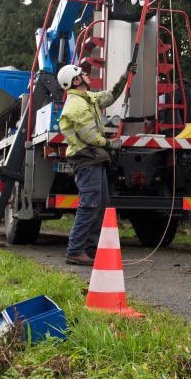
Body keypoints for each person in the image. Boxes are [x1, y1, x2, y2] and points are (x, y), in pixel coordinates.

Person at [57, 63, 132, 265]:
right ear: (76, 81)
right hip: (85, 157)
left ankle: (90, 250)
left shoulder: (87, 98)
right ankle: (75, 251)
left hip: (93, 157)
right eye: (82, 74)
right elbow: (88, 135)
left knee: (101, 204)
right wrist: (110, 143)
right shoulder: (76, 105)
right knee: (90, 204)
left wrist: (124, 77)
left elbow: (109, 96)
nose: (86, 75)